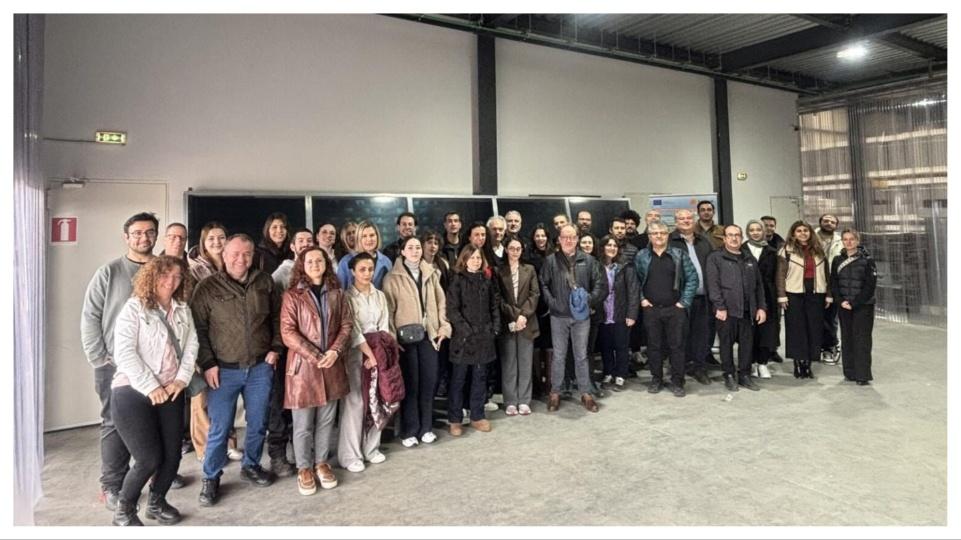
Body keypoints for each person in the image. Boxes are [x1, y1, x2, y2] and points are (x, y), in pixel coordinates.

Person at [191, 234, 283, 506]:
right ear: (224, 255)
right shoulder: (207, 287)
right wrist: (208, 363)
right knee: (219, 427)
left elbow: (278, 317)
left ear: (253, 255)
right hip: (223, 371)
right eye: (234, 253)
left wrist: (276, 348)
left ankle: (251, 465)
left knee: (258, 422)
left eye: (246, 254)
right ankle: (211, 476)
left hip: (259, 368)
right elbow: (198, 329)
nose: (240, 259)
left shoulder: (264, 282)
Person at [109, 255, 197, 526]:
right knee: (148, 458)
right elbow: (124, 353)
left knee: (172, 455)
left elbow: (191, 346)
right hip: (132, 392)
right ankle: (124, 510)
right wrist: (150, 386)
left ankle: (157, 502)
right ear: (152, 277)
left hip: (171, 390)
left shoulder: (182, 309)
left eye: (177, 276)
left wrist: (181, 380)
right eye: (165, 275)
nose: (171, 281)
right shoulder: (134, 308)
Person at [81, 212, 159, 511]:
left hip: (156, 366)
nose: (143, 238)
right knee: (114, 423)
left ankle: (152, 474)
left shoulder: (164, 269)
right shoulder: (109, 272)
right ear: (126, 237)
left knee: (154, 422)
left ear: (156, 236)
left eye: (149, 232)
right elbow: (91, 315)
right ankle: (112, 485)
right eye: (137, 233)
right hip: (115, 366)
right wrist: (99, 358)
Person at [279, 247, 353, 496]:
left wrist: (335, 351)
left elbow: (347, 324)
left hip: (332, 365)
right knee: (302, 425)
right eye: (309, 261)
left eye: (319, 260)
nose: (314, 264)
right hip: (303, 369)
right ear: (302, 265)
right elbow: (287, 332)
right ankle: (304, 468)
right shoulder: (293, 295)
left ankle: (321, 463)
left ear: (326, 263)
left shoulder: (337, 293)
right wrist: (315, 355)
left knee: (326, 421)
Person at [382, 236, 451, 447]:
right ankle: (409, 430)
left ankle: (426, 428)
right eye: (410, 247)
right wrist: (392, 338)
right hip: (405, 339)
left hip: (429, 336)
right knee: (411, 385)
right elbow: (388, 311)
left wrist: (443, 327)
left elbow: (441, 303)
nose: (415, 251)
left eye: (418, 247)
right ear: (402, 251)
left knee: (429, 382)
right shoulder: (392, 278)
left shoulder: (431, 273)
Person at [185, 222, 242, 463]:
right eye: (211, 239)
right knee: (201, 397)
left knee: (225, 397)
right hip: (201, 340)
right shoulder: (194, 270)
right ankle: (205, 447)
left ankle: (228, 443)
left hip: (228, 342)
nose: (217, 242)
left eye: (221, 237)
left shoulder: (233, 266)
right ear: (203, 243)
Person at [267, 227, 318, 478]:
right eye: (301, 240)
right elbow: (275, 315)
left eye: (310, 240)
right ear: (293, 246)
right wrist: (277, 346)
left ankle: (305, 451)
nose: (306, 243)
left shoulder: (318, 271)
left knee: (308, 402)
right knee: (281, 402)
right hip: (286, 348)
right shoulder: (282, 274)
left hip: (312, 350)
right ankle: (279, 454)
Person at [539, 225, 606, 412]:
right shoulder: (550, 261)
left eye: (572, 237)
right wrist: (552, 303)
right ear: (559, 239)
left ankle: (586, 393)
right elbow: (543, 284)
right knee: (559, 356)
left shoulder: (589, 260)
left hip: (582, 317)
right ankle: (555, 392)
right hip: (558, 316)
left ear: (577, 239)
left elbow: (600, 284)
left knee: (581, 355)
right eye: (565, 237)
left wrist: (588, 300)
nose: (568, 240)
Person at [339, 253, 394, 471]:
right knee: (356, 403)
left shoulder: (379, 295)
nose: (367, 273)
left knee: (376, 400)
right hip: (356, 354)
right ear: (353, 271)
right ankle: (350, 455)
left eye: (370, 269)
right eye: (362, 269)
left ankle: (371, 449)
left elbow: (384, 325)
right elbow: (353, 330)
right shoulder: (346, 297)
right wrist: (369, 355)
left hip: (378, 352)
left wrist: (380, 353)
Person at [636, 221, 698, 397]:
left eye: (662, 233)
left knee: (677, 347)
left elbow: (692, 278)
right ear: (649, 236)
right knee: (653, 347)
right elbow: (636, 281)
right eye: (654, 233)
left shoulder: (679, 254)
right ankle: (656, 379)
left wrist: (684, 302)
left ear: (667, 235)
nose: (659, 236)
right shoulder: (641, 256)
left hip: (675, 310)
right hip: (651, 310)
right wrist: (642, 299)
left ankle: (678, 381)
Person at [446, 245, 501, 434]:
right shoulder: (457, 280)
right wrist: (466, 330)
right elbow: (452, 310)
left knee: (480, 378)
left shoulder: (487, 280)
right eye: (472, 258)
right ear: (464, 259)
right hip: (463, 339)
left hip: (484, 337)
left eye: (479, 258)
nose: (476, 261)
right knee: (459, 380)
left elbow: (494, 306)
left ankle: (477, 416)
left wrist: (495, 328)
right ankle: (455, 419)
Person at [706, 225, 767, 392]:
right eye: (730, 235)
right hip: (726, 311)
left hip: (748, 311)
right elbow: (713, 285)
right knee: (726, 345)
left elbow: (759, 286)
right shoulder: (715, 258)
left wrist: (761, 307)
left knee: (747, 345)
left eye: (737, 235)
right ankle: (729, 375)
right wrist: (719, 306)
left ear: (742, 237)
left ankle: (744, 375)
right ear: (724, 238)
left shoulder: (749, 258)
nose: (734, 238)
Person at [777, 221, 832, 379]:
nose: (803, 233)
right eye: (799, 231)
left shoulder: (819, 250)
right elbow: (780, 274)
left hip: (816, 293)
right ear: (793, 233)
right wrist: (781, 295)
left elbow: (827, 274)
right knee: (796, 329)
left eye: (805, 230)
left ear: (810, 232)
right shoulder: (786, 250)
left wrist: (829, 294)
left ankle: (808, 364)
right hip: (793, 293)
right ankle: (798, 362)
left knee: (814, 329)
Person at [668, 209, 714, 385]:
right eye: (682, 218)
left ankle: (699, 368)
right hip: (679, 299)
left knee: (701, 335)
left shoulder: (704, 241)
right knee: (679, 335)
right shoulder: (669, 241)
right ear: (676, 222)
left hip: (702, 297)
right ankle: (680, 367)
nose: (686, 221)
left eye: (689, 218)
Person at [495, 237, 540, 415]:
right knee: (509, 363)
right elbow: (498, 297)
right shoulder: (499, 270)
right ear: (506, 249)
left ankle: (524, 400)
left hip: (526, 323)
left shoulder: (530, 269)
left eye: (518, 248)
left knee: (525, 362)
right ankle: (510, 401)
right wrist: (514, 315)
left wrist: (523, 315)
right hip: (508, 322)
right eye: (512, 248)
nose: (515, 251)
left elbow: (535, 294)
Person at [830, 229, 878, 386]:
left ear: (857, 241)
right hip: (844, 306)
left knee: (862, 340)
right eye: (845, 239)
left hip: (863, 306)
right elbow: (834, 282)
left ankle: (862, 375)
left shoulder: (868, 261)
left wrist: (855, 303)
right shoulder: (837, 260)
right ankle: (849, 372)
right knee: (847, 338)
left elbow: (870, 285)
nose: (848, 242)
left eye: (852, 239)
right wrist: (840, 301)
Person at [595, 236, 639, 392]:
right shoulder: (597, 266)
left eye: (614, 245)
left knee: (621, 346)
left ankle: (621, 375)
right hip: (603, 313)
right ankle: (608, 373)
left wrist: (632, 314)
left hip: (621, 312)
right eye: (608, 245)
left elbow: (633, 291)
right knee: (606, 346)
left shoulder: (626, 266)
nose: (612, 248)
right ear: (602, 247)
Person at [742, 220, 780, 379]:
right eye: (752, 230)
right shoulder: (741, 250)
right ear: (747, 232)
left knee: (767, 331)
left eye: (758, 229)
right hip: (747, 295)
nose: (755, 232)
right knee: (749, 331)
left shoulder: (772, 251)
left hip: (768, 295)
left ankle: (762, 363)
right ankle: (750, 363)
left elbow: (776, 275)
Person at [527, 223, 555, 397]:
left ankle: (550, 383)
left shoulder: (555, 256)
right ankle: (537, 383)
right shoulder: (528, 257)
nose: (540, 238)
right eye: (537, 236)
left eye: (543, 235)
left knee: (550, 345)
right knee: (536, 345)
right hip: (534, 308)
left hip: (552, 307)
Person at [816, 213, 843, 364]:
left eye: (832, 222)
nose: (829, 223)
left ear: (836, 225)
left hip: (833, 283)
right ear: (820, 222)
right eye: (826, 221)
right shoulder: (810, 237)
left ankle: (830, 347)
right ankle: (815, 347)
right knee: (814, 318)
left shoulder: (840, 241)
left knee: (830, 318)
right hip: (813, 282)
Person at [336, 220, 393, 290]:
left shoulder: (386, 262)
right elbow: (340, 291)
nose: (369, 239)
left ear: (377, 237)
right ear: (358, 239)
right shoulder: (345, 262)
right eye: (364, 236)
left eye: (372, 235)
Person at [272, 228, 316, 292]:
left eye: (309, 241)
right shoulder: (283, 272)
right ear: (292, 247)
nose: (306, 244)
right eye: (301, 241)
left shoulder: (319, 268)